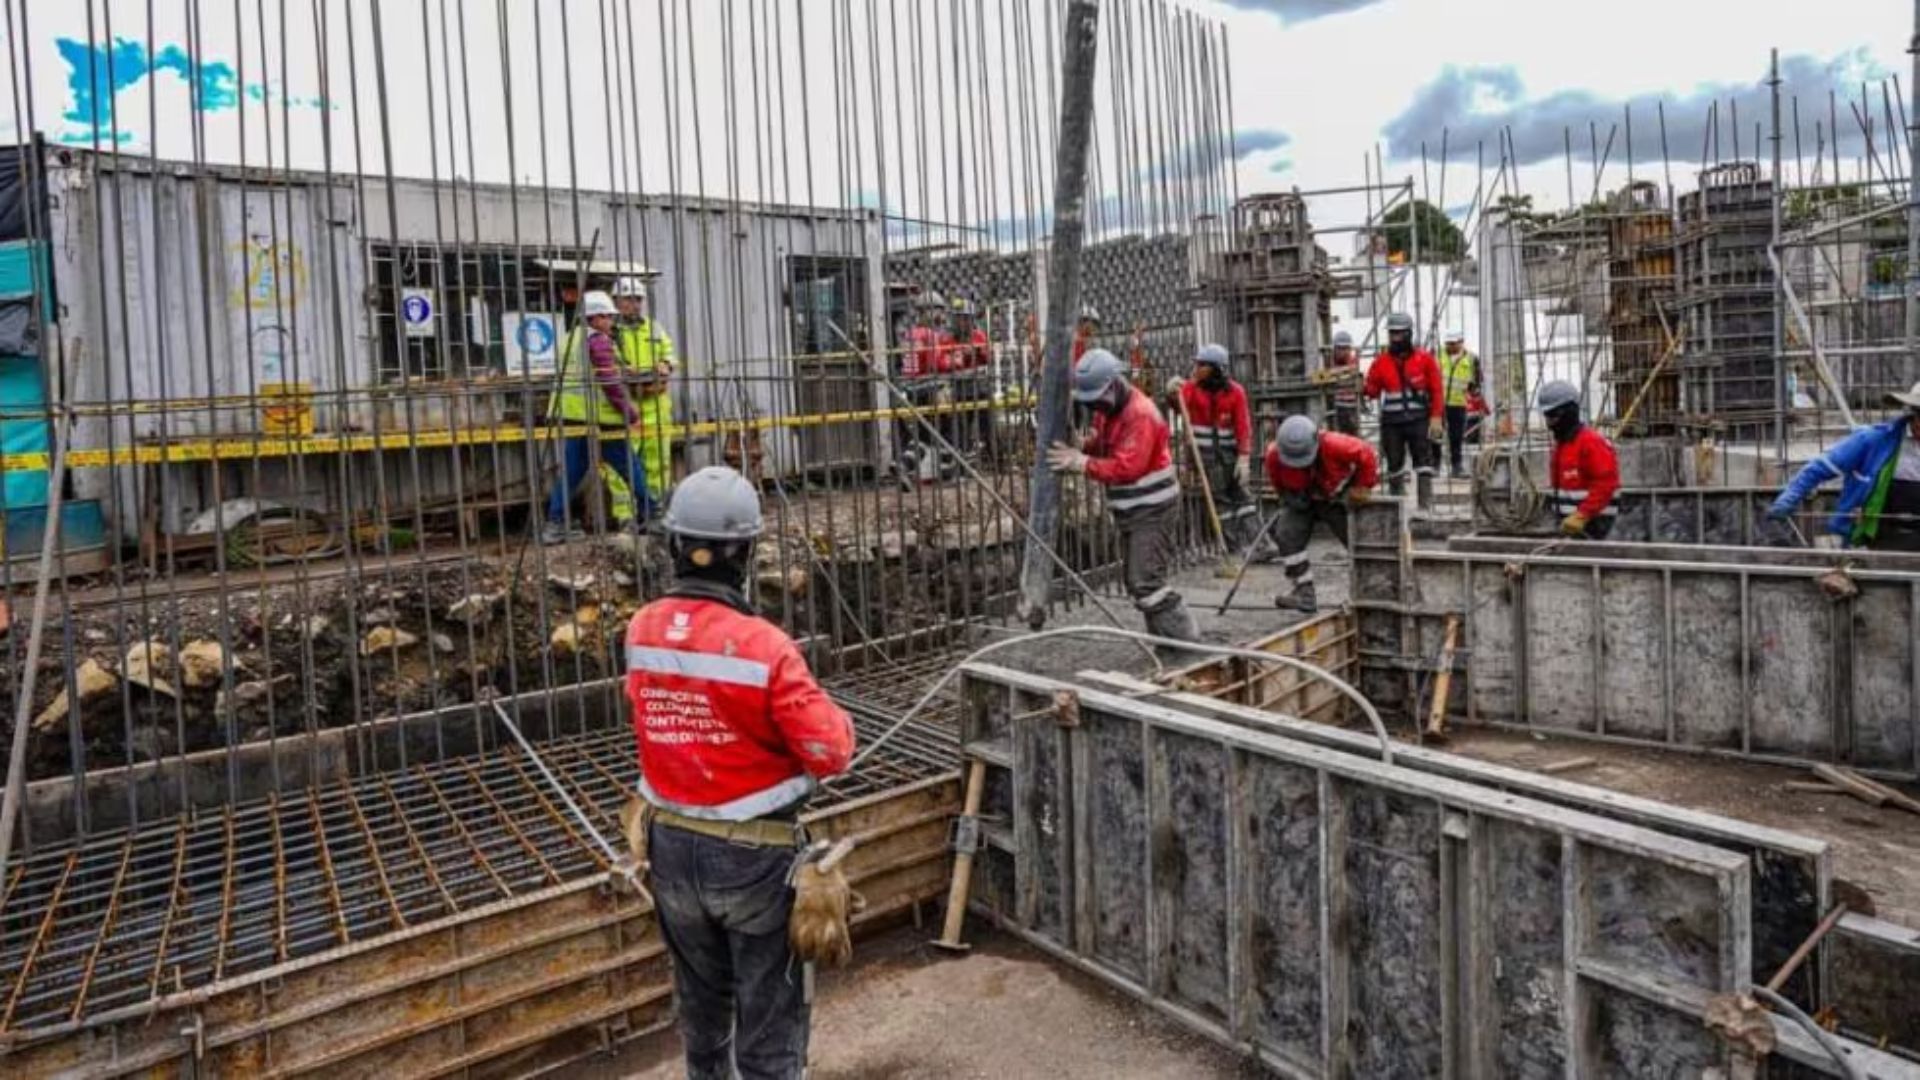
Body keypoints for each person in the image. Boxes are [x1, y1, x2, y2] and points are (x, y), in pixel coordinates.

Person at [625, 466, 856, 1079]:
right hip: (754, 860)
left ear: (674, 545)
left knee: (703, 1013)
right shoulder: (764, 646)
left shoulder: (641, 628)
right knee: (769, 1024)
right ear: (746, 553)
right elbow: (831, 752)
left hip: (670, 848)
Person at [1046, 348, 1199, 644]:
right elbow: (1105, 443)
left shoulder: (1140, 414)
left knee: (1145, 581)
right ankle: (1167, 641)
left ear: (1115, 384)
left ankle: (1185, 640)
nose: (1095, 407)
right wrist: (1084, 445)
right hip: (1133, 511)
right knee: (1138, 580)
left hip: (1153, 510)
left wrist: (1081, 462)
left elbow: (1128, 467)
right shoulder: (1111, 409)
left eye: (1097, 399)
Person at [543, 290, 651, 544]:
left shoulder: (571, 338)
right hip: (600, 417)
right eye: (608, 317)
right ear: (595, 317)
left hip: (571, 415)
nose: (612, 322)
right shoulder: (598, 340)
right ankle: (652, 513)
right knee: (628, 464)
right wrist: (630, 412)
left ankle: (554, 524)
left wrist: (622, 367)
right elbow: (608, 380)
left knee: (572, 471)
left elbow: (592, 371)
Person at [1769, 381, 1920, 550]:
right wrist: (1790, 496)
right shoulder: (1874, 440)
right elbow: (1819, 468)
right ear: (1913, 414)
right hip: (1877, 534)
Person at [1264, 415, 1378, 613]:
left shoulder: (1334, 444)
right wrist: (1287, 500)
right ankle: (1304, 592)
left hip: (1335, 498)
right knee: (1286, 534)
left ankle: (1369, 591)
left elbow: (1367, 453)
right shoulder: (1275, 455)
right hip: (1302, 499)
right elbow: (1278, 484)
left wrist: (1363, 486)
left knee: (1358, 540)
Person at [602, 276, 676, 527]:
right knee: (622, 463)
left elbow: (669, 353)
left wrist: (665, 365)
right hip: (624, 406)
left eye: (638, 299)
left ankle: (655, 510)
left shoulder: (653, 328)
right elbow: (605, 363)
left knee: (658, 463)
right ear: (616, 301)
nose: (634, 304)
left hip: (656, 405)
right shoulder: (609, 332)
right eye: (628, 299)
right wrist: (625, 372)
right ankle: (625, 514)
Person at [1169, 343, 1257, 553]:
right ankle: (1233, 547)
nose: (1196, 368)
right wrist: (1171, 393)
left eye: (1202, 365)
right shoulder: (1191, 389)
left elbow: (1243, 427)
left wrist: (1244, 458)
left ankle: (1259, 543)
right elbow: (1177, 407)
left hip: (1230, 457)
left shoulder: (1236, 392)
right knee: (1223, 502)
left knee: (1244, 500)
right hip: (1207, 458)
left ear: (1216, 369)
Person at [1363, 311, 1444, 509]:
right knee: (1394, 464)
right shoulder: (1381, 362)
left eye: (1399, 334)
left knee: (1424, 462)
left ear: (1409, 334)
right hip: (1392, 423)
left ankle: (1426, 505)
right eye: (1392, 334)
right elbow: (1372, 390)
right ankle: (1396, 507)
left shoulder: (1424, 360)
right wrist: (1361, 387)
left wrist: (1436, 418)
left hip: (1418, 420)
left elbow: (1437, 390)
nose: (1395, 338)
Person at [1538, 379, 1620, 539]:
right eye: (1546, 417)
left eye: (1552, 416)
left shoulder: (1591, 443)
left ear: (1568, 412)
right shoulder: (1562, 446)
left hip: (1596, 526)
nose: (1549, 423)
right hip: (1573, 527)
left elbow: (1606, 483)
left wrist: (1582, 515)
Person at [943, 297, 993, 453]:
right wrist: (959, 356)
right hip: (960, 390)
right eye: (958, 318)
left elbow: (988, 358)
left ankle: (993, 454)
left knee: (988, 424)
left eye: (965, 319)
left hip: (980, 388)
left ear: (971, 320)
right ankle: (963, 455)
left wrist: (978, 351)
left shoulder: (979, 336)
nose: (961, 323)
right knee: (961, 428)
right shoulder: (948, 340)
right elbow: (944, 363)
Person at [1439, 327, 1481, 478]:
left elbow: (1476, 381)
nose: (1450, 346)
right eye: (1448, 343)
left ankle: (1456, 467)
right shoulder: (1438, 355)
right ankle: (1435, 467)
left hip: (1458, 404)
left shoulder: (1471, 359)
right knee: (1436, 435)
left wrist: (1474, 391)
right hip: (1439, 403)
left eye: (1453, 343)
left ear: (1461, 342)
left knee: (1456, 437)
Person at [1325, 329, 1363, 436]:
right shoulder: (1328, 363)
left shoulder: (1353, 363)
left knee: (1352, 437)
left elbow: (1359, 385)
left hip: (1351, 408)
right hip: (1335, 407)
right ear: (1334, 349)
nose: (1343, 352)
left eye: (1346, 348)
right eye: (1340, 348)